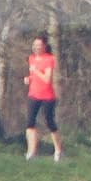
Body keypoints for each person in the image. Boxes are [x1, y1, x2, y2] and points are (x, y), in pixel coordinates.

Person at [23, 34, 61, 162]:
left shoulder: (49, 59)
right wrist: (29, 78)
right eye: (34, 45)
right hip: (33, 94)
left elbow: (47, 79)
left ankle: (58, 150)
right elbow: (33, 75)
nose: (36, 48)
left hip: (47, 96)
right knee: (30, 123)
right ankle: (31, 152)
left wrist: (36, 71)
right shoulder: (31, 59)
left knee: (49, 122)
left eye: (39, 45)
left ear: (45, 46)